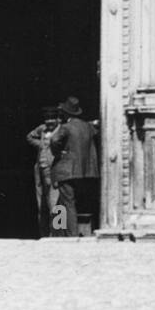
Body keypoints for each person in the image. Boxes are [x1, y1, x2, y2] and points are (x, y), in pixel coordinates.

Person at [49, 96, 98, 237]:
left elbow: (54, 139)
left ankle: (72, 235)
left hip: (67, 171)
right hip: (85, 172)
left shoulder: (66, 127)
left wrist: (59, 152)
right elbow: (96, 128)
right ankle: (57, 231)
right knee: (61, 203)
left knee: (68, 203)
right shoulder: (87, 127)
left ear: (66, 113)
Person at [25, 107, 59, 238]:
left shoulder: (62, 130)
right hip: (40, 169)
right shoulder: (42, 129)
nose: (49, 122)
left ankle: (58, 232)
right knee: (42, 202)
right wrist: (40, 144)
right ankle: (44, 233)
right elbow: (29, 136)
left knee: (56, 202)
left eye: (52, 119)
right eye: (47, 119)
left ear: (57, 119)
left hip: (54, 169)